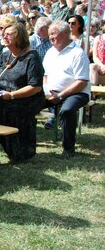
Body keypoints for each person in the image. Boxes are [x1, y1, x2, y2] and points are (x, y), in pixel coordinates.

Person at [0, 23, 44, 164]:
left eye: (9, 34)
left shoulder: (32, 57)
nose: (4, 36)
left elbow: (35, 87)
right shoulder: (5, 55)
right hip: (3, 95)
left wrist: (12, 95)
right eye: (4, 33)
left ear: (19, 37)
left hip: (25, 99)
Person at [43, 21, 91, 157]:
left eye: (53, 34)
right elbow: (45, 76)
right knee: (28, 103)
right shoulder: (50, 52)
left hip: (77, 93)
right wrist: (47, 90)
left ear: (65, 33)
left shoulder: (77, 53)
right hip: (52, 93)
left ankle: (68, 148)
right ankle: (24, 144)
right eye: (49, 34)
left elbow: (81, 82)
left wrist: (61, 95)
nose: (50, 37)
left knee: (67, 110)